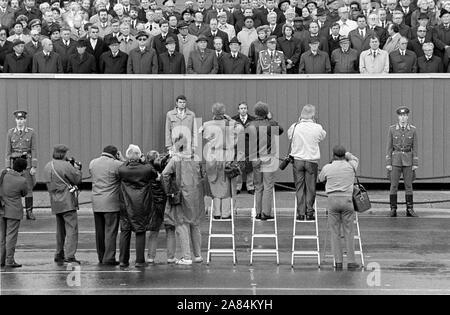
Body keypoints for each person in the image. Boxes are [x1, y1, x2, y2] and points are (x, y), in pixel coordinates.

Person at [162, 135, 205, 265]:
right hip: (196, 195)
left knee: (181, 225)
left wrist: (168, 191)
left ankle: (186, 257)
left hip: (180, 195)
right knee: (195, 224)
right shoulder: (196, 159)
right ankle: (197, 255)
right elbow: (202, 176)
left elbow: (164, 174)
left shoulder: (175, 159)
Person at [318, 145, 360, 271]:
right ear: (344, 155)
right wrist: (348, 154)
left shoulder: (327, 168)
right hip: (347, 199)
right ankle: (351, 261)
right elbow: (355, 159)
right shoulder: (351, 165)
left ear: (333, 155)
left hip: (332, 200)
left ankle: (338, 261)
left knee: (335, 232)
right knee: (349, 232)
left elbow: (320, 179)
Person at [118, 144, 158, 268]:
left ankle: (123, 260)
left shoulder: (122, 169)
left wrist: (126, 160)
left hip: (126, 203)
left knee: (125, 231)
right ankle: (140, 260)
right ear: (139, 156)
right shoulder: (146, 169)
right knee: (140, 231)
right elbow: (155, 174)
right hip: (141, 203)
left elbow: (123, 165)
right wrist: (143, 160)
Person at [202, 103, 243, 220]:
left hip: (212, 157)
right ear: (224, 112)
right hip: (226, 157)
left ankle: (216, 213)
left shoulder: (207, 124)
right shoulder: (231, 125)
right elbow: (241, 129)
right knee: (226, 186)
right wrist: (231, 119)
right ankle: (225, 213)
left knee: (214, 184)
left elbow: (205, 135)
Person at [42, 144, 82, 264]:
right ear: (63, 154)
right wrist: (78, 169)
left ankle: (59, 252)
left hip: (55, 200)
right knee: (71, 228)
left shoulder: (48, 166)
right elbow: (77, 180)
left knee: (60, 230)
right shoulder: (65, 165)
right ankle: (70, 255)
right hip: (67, 200)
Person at [288, 105, 326, 221]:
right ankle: (309, 211)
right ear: (313, 115)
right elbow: (322, 136)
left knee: (299, 187)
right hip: (311, 160)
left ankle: (300, 213)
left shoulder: (295, 127)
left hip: (298, 160)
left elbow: (290, 137)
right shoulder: (317, 127)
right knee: (310, 187)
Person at [89, 145, 125, 265]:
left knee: (99, 231)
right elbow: (126, 169)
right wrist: (121, 159)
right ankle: (109, 258)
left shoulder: (93, 163)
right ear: (115, 154)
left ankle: (101, 256)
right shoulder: (116, 164)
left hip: (96, 201)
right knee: (110, 231)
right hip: (111, 202)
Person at [248, 101, 284, 220]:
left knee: (258, 187)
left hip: (256, 158)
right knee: (268, 185)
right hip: (268, 157)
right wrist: (270, 119)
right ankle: (266, 213)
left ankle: (258, 212)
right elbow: (281, 131)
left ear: (255, 112)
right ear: (266, 112)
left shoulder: (250, 125)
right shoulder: (271, 124)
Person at [386, 106, 418, 217]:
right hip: (395, 160)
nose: (403, 118)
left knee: (408, 185)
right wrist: (388, 163)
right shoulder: (392, 129)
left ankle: (409, 209)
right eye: (401, 115)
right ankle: (393, 209)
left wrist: (415, 163)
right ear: (398, 117)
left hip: (408, 160)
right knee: (393, 185)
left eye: (405, 115)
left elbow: (415, 147)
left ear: (407, 117)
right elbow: (389, 147)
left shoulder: (413, 129)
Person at [5, 110, 37, 220]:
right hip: (15, 164)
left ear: (25, 120)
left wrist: (34, 166)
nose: (20, 121)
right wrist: (8, 166)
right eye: (18, 119)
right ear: (15, 120)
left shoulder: (31, 132)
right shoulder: (10, 132)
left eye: (22, 119)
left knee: (28, 187)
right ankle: (15, 211)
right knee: (13, 188)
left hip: (26, 164)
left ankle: (29, 212)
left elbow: (33, 149)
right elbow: (8, 151)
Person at [145, 151, 175, 264]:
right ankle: (171, 257)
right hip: (166, 202)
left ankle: (150, 257)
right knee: (170, 229)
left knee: (154, 231)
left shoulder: (147, 172)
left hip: (154, 204)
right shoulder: (166, 172)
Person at [0, 158, 28, 268]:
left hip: (1, 208)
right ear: (23, 169)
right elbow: (24, 193)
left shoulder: (4, 174)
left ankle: (1, 259)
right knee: (11, 237)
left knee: (2, 236)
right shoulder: (22, 180)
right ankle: (9, 260)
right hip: (14, 210)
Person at [232, 102, 255, 194]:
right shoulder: (234, 120)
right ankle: (238, 187)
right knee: (238, 166)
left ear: (247, 109)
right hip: (238, 145)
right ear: (238, 110)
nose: (243, 110)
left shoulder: (253, 120)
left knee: (250, 167)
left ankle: (250, 187)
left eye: (245, 108)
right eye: (241, 108)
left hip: (250, 145)